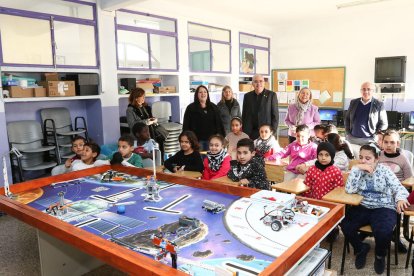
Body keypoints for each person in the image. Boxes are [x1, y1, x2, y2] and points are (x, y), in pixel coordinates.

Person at [341, 144, 409, 274]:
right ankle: (361, 248)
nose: (363, 161)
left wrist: (400, 199)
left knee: (383, 231)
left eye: (368, 158)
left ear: (376, 159)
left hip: (384, 207)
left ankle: (380, 255)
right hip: (363, 205)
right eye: (361, 157)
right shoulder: (358, 170)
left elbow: (399, 187)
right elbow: (350, 190)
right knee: (344, 223)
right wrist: (356, 168)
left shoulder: (384, 170)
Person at [378, 130, 412, 253]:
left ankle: (395, 236)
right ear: (381, 143)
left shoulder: (403, 159)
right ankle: (371, 230)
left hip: (397, 192)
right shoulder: (378, 156)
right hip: (380, 191)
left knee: (394, 208)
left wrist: (400, 194)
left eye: (392, 142)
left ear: (398, 144)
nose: (388, 145)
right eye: (386, 142)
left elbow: (409, 179)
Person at [183, 85, 225, 150]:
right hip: (197, 141)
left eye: (205, 92)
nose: (203, 94)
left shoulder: (213, 107)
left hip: (212, 141)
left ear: (207, 94)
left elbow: (219, 124)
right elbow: (186, 126)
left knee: (212, 159)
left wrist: (222, 138)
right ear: (196, 94)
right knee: (199, 159)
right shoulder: (190, 108)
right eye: (200, 92)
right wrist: (186, 141)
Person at [242, 74, 278, 140]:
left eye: (261, 81)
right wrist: (245, 132)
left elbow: (275, 116)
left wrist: (272, 132)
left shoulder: (271, 95)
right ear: (252, 84)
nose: (258, 83)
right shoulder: (247, 96)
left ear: (264, 83)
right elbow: (244, 115)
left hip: (266, 133)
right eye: (255, 81)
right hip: (250, 133)